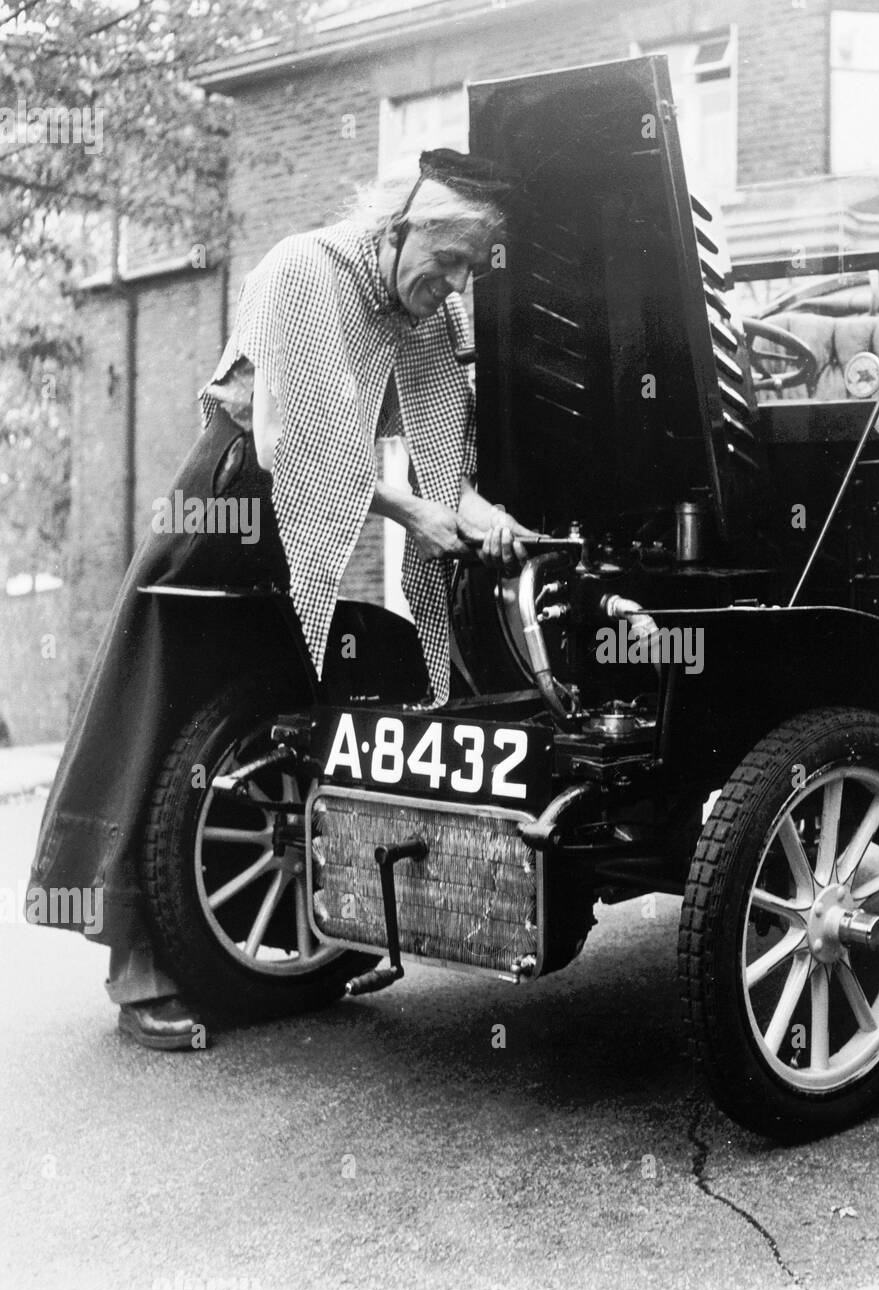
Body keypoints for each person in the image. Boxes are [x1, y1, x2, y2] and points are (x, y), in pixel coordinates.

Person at [28, 149, 534, 1049]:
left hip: (317, 512)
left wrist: (482, 513)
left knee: (272, 724)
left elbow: (443, 462)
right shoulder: (306, 268)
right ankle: (137, 970)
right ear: (401, 226)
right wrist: (414, 509)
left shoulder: (425, 316)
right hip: (228, 500)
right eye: (448, 259)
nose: (455, 284)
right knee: (171, 725)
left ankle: (312, 932)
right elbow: (292, 444)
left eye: (470, 269)